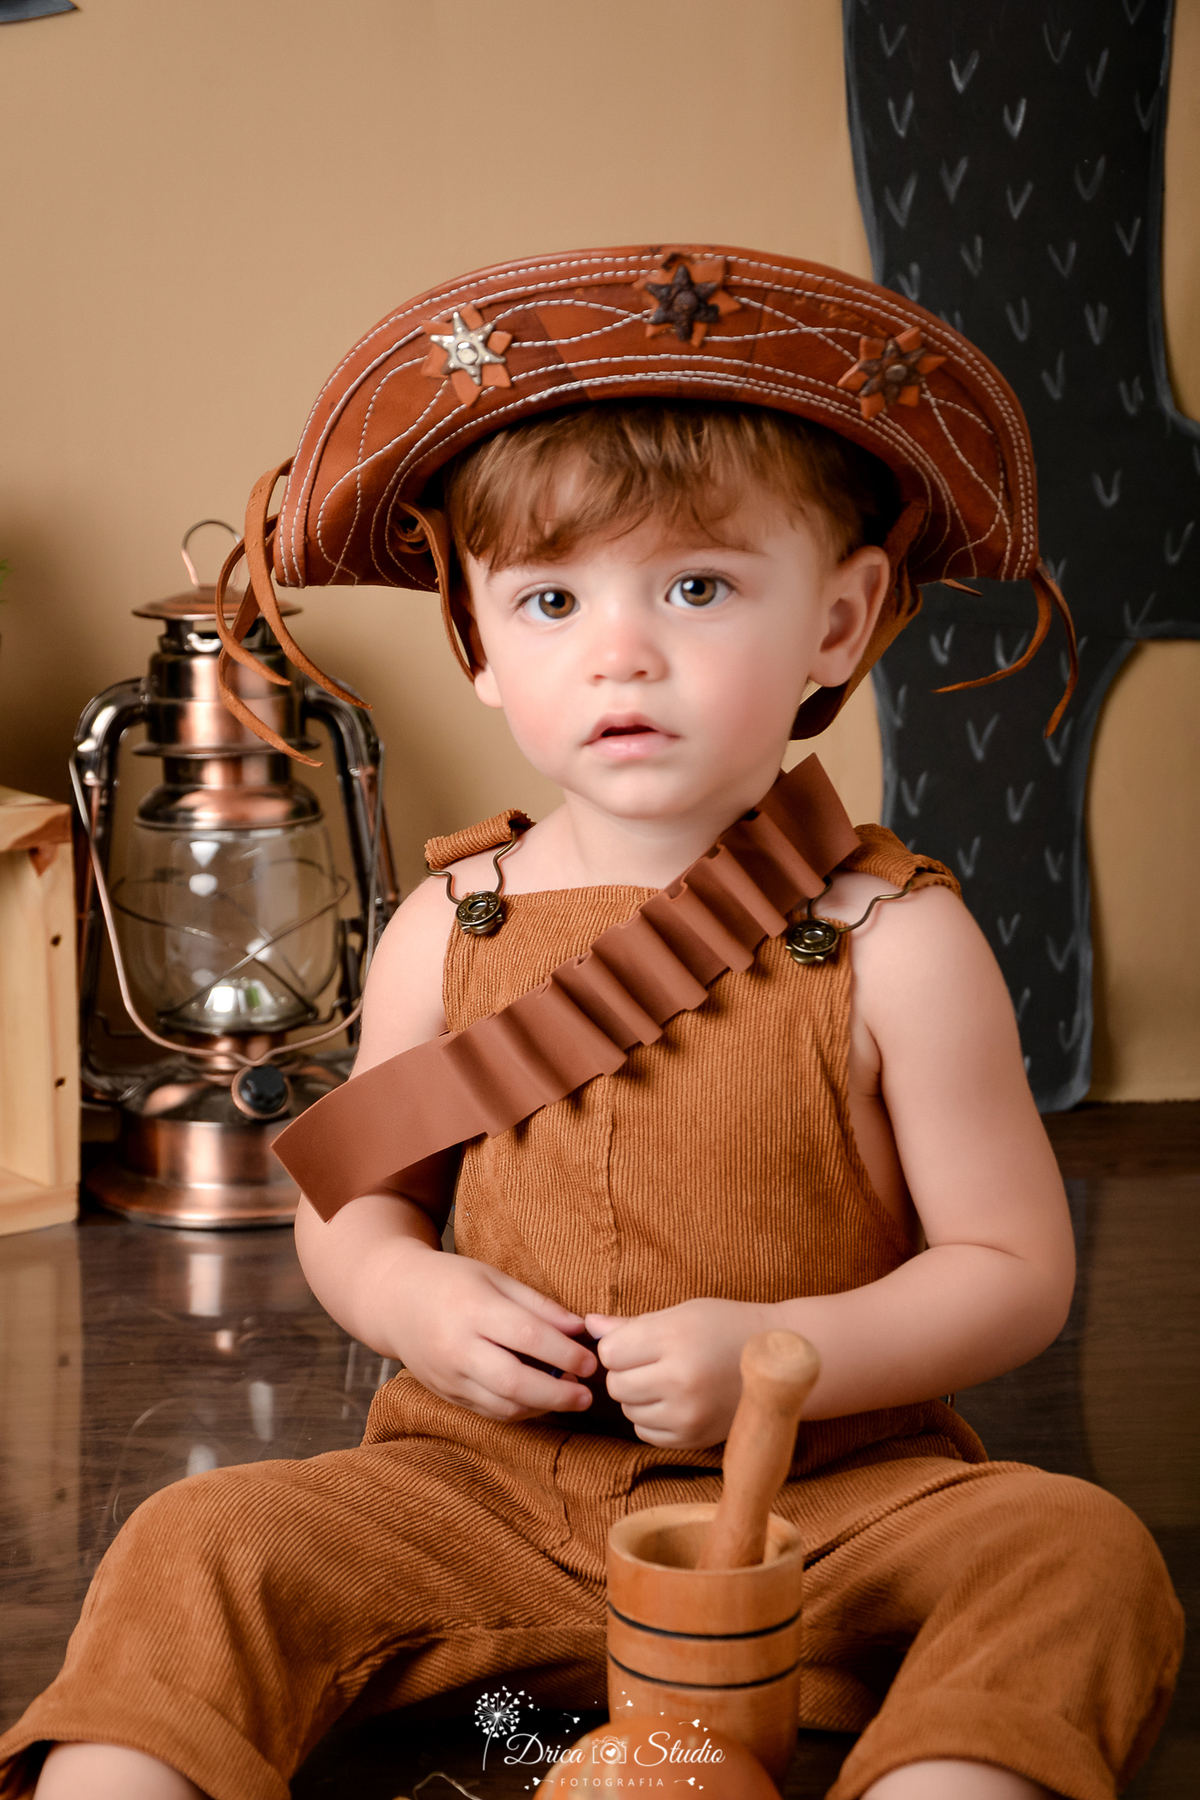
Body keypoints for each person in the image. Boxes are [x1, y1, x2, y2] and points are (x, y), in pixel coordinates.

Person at [2, 248, 1182, 1800]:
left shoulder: (899, 940)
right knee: (198, 1535)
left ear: (840, 623)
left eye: (698, 587)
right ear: (479, 646)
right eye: (551, 600)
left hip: (818, 1511)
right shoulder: (444, 926)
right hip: (473, 1500)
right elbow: (352, 1209)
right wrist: (415, 1300)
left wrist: (790, 1357)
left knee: (1073, 1551)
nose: (621, 652)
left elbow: (1014, 1274)